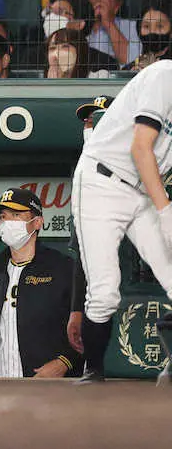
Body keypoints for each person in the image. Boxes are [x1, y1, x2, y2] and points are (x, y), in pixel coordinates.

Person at [71, 59, 172, 383]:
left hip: (143, 191)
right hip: (102, 183)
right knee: (105, 291)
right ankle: (93, 372)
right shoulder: (164, 75)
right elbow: (140, 149)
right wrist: (165, 211)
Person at [0, 188, 82, 379]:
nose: (7, 222)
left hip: (47, 385)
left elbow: (88, 325)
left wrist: (64, 362)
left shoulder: (64, 269)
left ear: (37, 222)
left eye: (16, 215)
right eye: (3, 217)